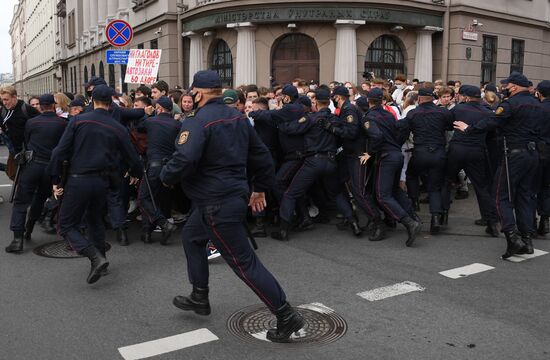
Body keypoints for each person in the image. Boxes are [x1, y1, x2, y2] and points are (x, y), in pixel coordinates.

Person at [160, 70, 304, 343]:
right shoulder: (238, 117)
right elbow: (261, 155)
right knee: (192, 237)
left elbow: (185, 157)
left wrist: (166, 177)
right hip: (225, 198)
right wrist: (260, 187)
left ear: (198, 93)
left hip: (216, 202)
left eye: (193, 92)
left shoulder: (198, 121)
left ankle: (286, 315)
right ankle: (199, 295)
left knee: (244, 262)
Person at [49, 85, 142, 284]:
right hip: (103, 181)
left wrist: (56, 179)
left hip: (78, 180)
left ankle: (94, 256)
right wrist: (135, 174)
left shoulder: (78, 121)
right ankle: (101, 260)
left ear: (92, 101)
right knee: (95, 220)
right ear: (111, 103)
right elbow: (132, 157)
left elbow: (59, 152)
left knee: (66, 225)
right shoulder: (117, 126)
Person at [453, 72, 542, 259]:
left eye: (507, 85)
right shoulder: (537, 103)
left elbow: (493, 121)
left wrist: (469, 129)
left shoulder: (511, 104)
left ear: (515, 86)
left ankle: (513, 238)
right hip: (533, 154)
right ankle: (527, 240)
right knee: (525, 196)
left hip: (514, 154)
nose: (505, 88)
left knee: (500, 196)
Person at [5, 94, 68, 253]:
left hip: (33, 165)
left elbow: (26, 141)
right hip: (51, 168)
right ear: (53, 105)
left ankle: (17, 239)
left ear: (40, 106)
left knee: (21, 202)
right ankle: (29, 228)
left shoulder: (32, 122)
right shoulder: (62, 123)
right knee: (40, 199)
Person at [364, 88, 422, 246]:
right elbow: (398, 132)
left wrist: (370, 152)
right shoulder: (389, 115)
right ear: (382, 100)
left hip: (386, 157)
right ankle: (414, 218)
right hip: (396, 154)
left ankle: (409, 222)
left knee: (382, 195)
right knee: (395, 190)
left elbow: (376, 136)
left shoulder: (370, 117)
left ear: (368, 101)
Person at [397, 87, 454, 234]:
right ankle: (435, 217)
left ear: (420, 99)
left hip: (420, 152)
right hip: (438, 153)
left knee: (411, 174)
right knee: (435, 187)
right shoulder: (443, 112)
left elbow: (403, 130)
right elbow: (449, 126)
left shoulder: (412, 113)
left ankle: (414, 200)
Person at [448, 85, 499, 237]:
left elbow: (446, 124)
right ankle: (491, 221)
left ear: (466, 97)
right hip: (477, 151)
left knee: (445, 181)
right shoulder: (487, 112)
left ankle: (439, 217)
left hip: (457, 150)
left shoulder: (457, 110)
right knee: (482, 187)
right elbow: (492, 133)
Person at [137, 96, 179, 244]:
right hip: (170, 168)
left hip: (154, 167)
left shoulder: (150, 121)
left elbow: (138, 127)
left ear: (159, 108)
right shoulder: (176, 124)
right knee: (162, 200)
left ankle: (163, 224)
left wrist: (147, 113)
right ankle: (148, 232)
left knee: (144, 198)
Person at [535, 80, 550, 236]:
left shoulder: (537, 108)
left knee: (531, 188)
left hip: (539, 150)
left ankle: (530, 222)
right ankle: (545, 219)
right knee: (546, 188)